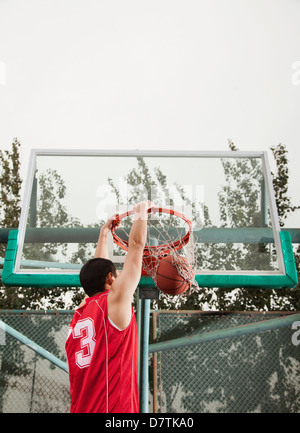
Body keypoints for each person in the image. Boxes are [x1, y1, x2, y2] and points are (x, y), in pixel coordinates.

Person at [65, 201, 151, 413]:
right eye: (117, 276)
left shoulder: (79, 316)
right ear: (111, 279)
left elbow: (100, 268)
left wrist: (104, 233)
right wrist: (142, 211)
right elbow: (137, 246)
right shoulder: (114, 301)